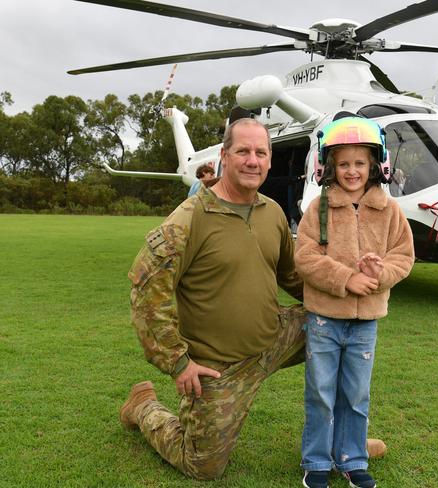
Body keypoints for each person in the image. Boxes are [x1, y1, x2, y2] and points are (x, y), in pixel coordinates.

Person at [120, 118, 385, 481]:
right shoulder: (191, 217)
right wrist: (178, 362)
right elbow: (147, 289)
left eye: (261, 152)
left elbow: (294, 277)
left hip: (275, 337)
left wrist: (350, 291)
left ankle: (346, 444)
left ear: (269, 160)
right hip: (221, 366)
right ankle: (143, 408)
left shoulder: (271, 212)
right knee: (203, 466)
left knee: (343, 328)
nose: (252, 160)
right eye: (242, 151)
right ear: (224, 157)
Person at [294, 117, 415, 488]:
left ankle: (351, 459)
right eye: (343, 164)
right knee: (320, 393)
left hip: (366, 324)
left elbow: (404, 256)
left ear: (376, 166)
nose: (351, 171)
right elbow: (305, 257)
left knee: (356, 395)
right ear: (329, 167)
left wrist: (378, 274)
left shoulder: (390, 210)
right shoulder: (319, 209)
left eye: (360, 163)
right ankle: (316, 462)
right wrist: (348, 278)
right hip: (324, 320)